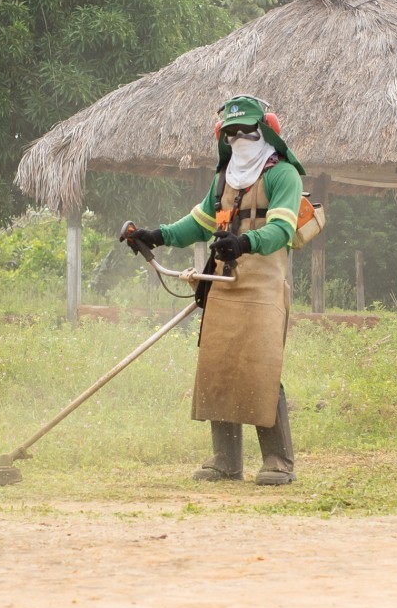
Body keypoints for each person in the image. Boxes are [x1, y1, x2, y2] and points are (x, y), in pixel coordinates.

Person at [124, 95, 305, 485]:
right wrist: (156, 236)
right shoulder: (224, 179)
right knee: (218, 367)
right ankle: (225, 460)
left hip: (263, 284)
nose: (239, 139)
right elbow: (199, 224)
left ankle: (278, 461)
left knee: (260, 367)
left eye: (247, 131)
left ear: (266, 131)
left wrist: (245, 242)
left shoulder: (283, 175)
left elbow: (282, 230)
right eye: (231, 133)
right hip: (222, 282)